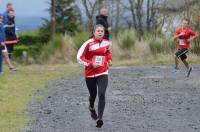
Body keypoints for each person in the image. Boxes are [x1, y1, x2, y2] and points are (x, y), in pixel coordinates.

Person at [77, 24, 112, 128]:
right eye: (98, 31)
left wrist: (109, 60)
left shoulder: (107, 42)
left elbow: (107, 52)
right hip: (90, 74)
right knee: (93, 95)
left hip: (103, 72)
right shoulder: (88, 43)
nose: (100, 32)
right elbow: (79, 57)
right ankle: (91, 107)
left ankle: (99, 119)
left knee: (102, 94)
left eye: (102, 31)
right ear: (94, 32)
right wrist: (91, 63)